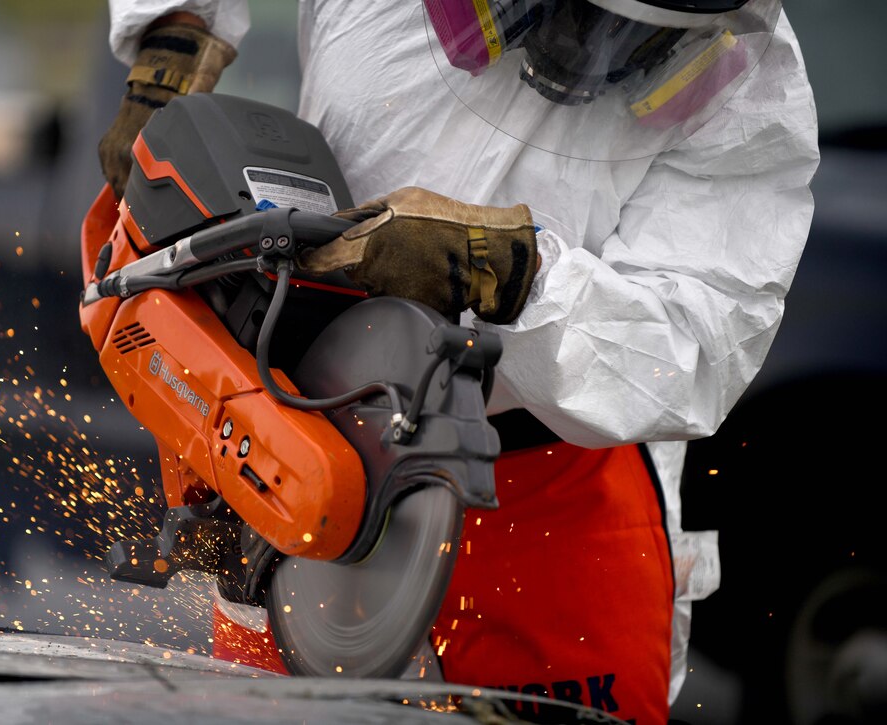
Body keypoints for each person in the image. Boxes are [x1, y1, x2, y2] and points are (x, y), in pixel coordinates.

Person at [99, 1, 819, 722]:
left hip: (552, 481)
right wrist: (176, 24)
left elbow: (692, 351)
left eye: (636, 36)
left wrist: (511, 274)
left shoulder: (747, 83)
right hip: (314, 437)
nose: (586, 47)